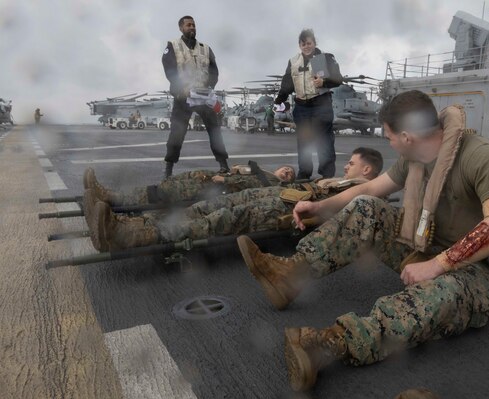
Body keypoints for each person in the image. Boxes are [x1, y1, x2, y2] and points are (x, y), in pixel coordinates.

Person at [236, 90, 489, 391]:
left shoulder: (480, 155)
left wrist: (437, 266)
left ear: (406, 137)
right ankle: (288, 277)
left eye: (389, 136)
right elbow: (372, 189)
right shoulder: (415, 158)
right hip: (422, 246)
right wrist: (319, 207)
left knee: (444, 293)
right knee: (368, 209)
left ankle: (329, 346)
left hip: (475, 268)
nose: (388, 142)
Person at [83, 148, 382, 252]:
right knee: (202, 208)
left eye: (352, 163)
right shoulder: (349, 183)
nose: (347, 166)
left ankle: (128, 235)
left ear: (366, 169)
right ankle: (125, 223)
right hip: (275, 195)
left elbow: (337, 209)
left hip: (284, 208)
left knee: (212, 222)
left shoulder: (365, 188)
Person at [162, 15, 230, 179]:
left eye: (193, 25)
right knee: (177, 133)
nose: (192, 27)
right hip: (183, 97)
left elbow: (214, 70)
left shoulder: (205, 48)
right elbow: (169, 69)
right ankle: (168, 168)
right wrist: (180, 88)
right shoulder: (173, 46)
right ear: (181, 28)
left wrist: (210, 86)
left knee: (215, 130)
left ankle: (223, 164)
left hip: (203, 97)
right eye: (188, 25)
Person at [275, 29, 343, 180]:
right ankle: (304, 173)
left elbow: (338, 79)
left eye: (309, 43)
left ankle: (326, 175)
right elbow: (287, 83)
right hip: (301, 107)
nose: (306, 46)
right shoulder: (293, 62)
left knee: (324, 140)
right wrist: (279, 99)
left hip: (321, 104)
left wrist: (324, 81)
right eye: (303, 44)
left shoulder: (324, 58)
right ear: (299, 45)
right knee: (304, 142)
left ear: (314, 43)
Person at [82, 163, 296, 206]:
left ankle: (112, 197)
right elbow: (246, 173)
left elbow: (252, 185)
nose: (287, 173)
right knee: (172, 182)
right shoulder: (265, 171)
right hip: (214, 177)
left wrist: (228, 179)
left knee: (166, 191)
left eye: (291, 174)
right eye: (287, 169)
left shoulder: (272, 182)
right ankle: (115, 197)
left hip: (220, 188)